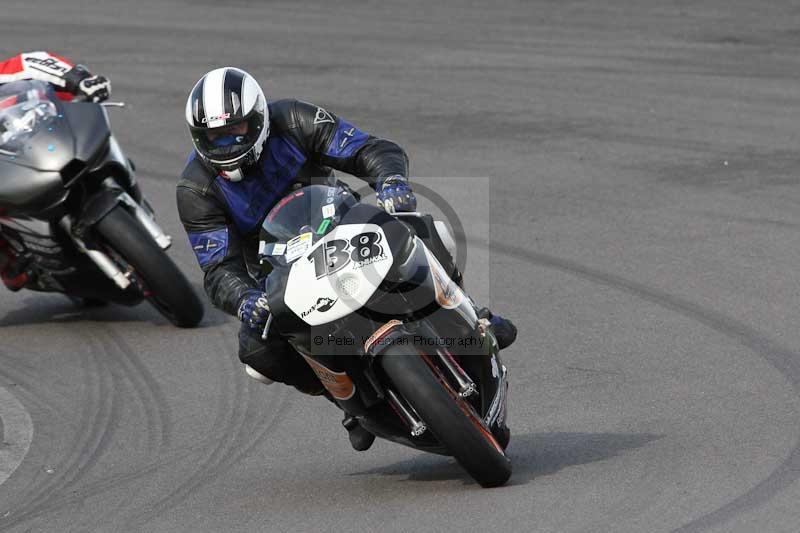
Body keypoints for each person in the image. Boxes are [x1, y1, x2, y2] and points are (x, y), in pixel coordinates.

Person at [176, 67, 516, 451]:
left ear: (257, 119)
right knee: (257, 356)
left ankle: (472, 312)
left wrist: (391, 181)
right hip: (277, 274)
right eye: (213, 136)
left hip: (342, 226)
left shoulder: (294, 120)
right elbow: (218, 267)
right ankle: (344, 397)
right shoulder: (195, 189)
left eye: (234, 130)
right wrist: (243, 298)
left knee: (424, 227)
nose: (225, 143)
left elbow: (370, 149)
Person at [0, 51, 111, 290]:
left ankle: (114, 174)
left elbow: (29, 63)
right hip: (7, 176)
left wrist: (79, 79)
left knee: (79, 108)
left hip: (40, 142)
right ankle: (16, 264)